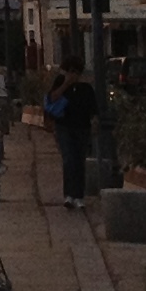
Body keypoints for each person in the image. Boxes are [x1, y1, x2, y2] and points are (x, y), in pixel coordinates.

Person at [45, 68, 99, 209]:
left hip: (82, 127)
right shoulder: (61, 83)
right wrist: (65, 84)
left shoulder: (86, 88)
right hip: (64, 127)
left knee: (79, 161)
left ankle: (79, 196)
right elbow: (52, 98)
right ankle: (69, 195)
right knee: (69, 159)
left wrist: (94, 123)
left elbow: (93, 108)